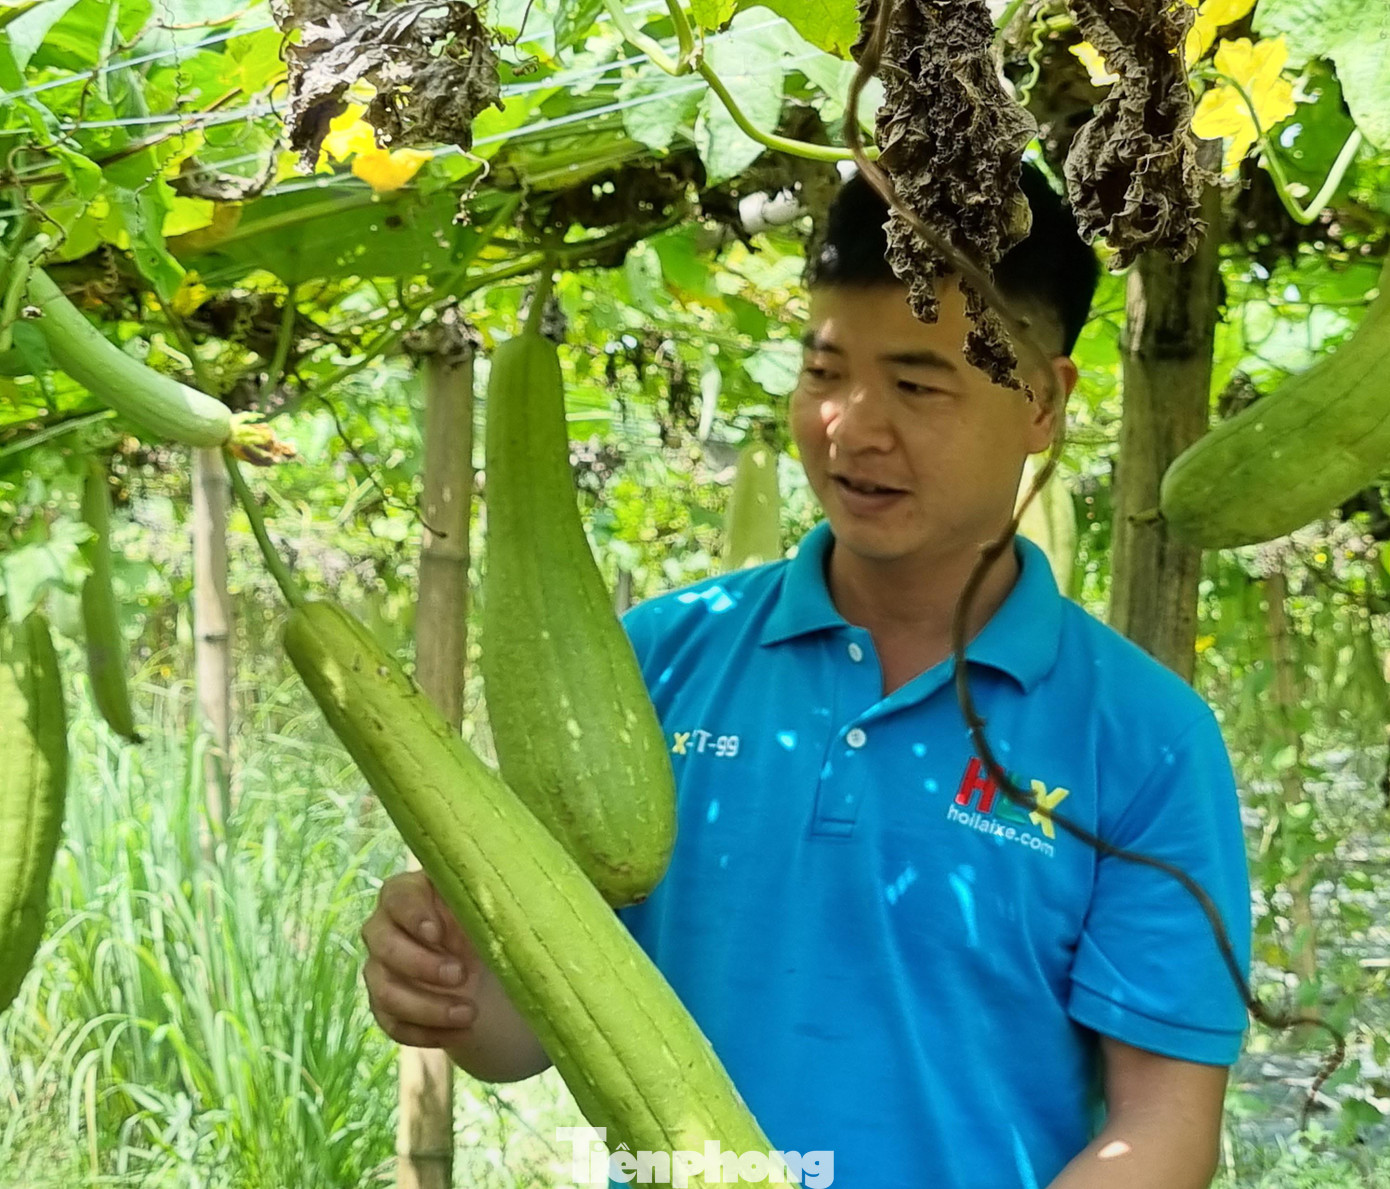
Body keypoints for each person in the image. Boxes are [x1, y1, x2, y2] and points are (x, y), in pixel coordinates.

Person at [358, 164, 1252, 1188]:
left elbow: (1165, 1122)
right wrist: (452, 984)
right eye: (824, 371)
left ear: (1042, 402)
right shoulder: (650, 660)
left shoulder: (1145, 739)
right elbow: (530, 1030)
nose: (851, 427)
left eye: (917, 384)